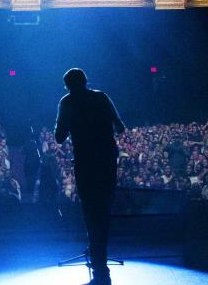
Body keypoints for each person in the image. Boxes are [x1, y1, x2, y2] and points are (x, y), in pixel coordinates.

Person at [54, 68, 125, 285]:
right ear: (86, 81)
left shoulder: (66, 102)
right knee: (104, 210)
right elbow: (120, 127)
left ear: (67, 85)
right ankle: (100, 262)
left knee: (90, 213)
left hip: (85, 164)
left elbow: (59, 137)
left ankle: (99, 264)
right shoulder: (101, 97)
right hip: (106, 162)